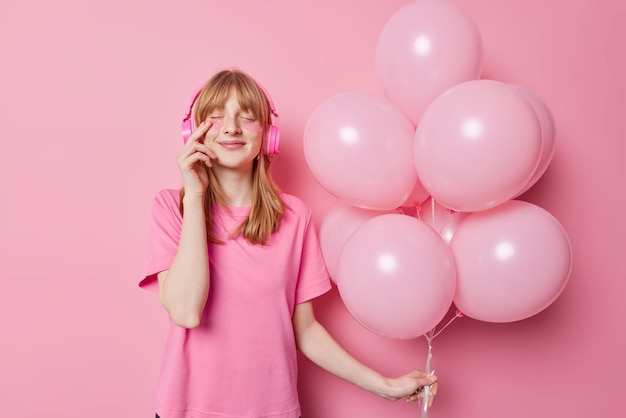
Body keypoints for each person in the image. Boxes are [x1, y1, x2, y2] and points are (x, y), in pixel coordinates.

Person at [139, 68, 438, 418]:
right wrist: (194, 193)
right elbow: (186, 311)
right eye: (217, 117)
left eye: (247, 117)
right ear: (193, 132)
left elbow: (306, 330)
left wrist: (384, 386)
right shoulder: (171, 207)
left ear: (268, 136)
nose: (232, 127)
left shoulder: (295, 217)